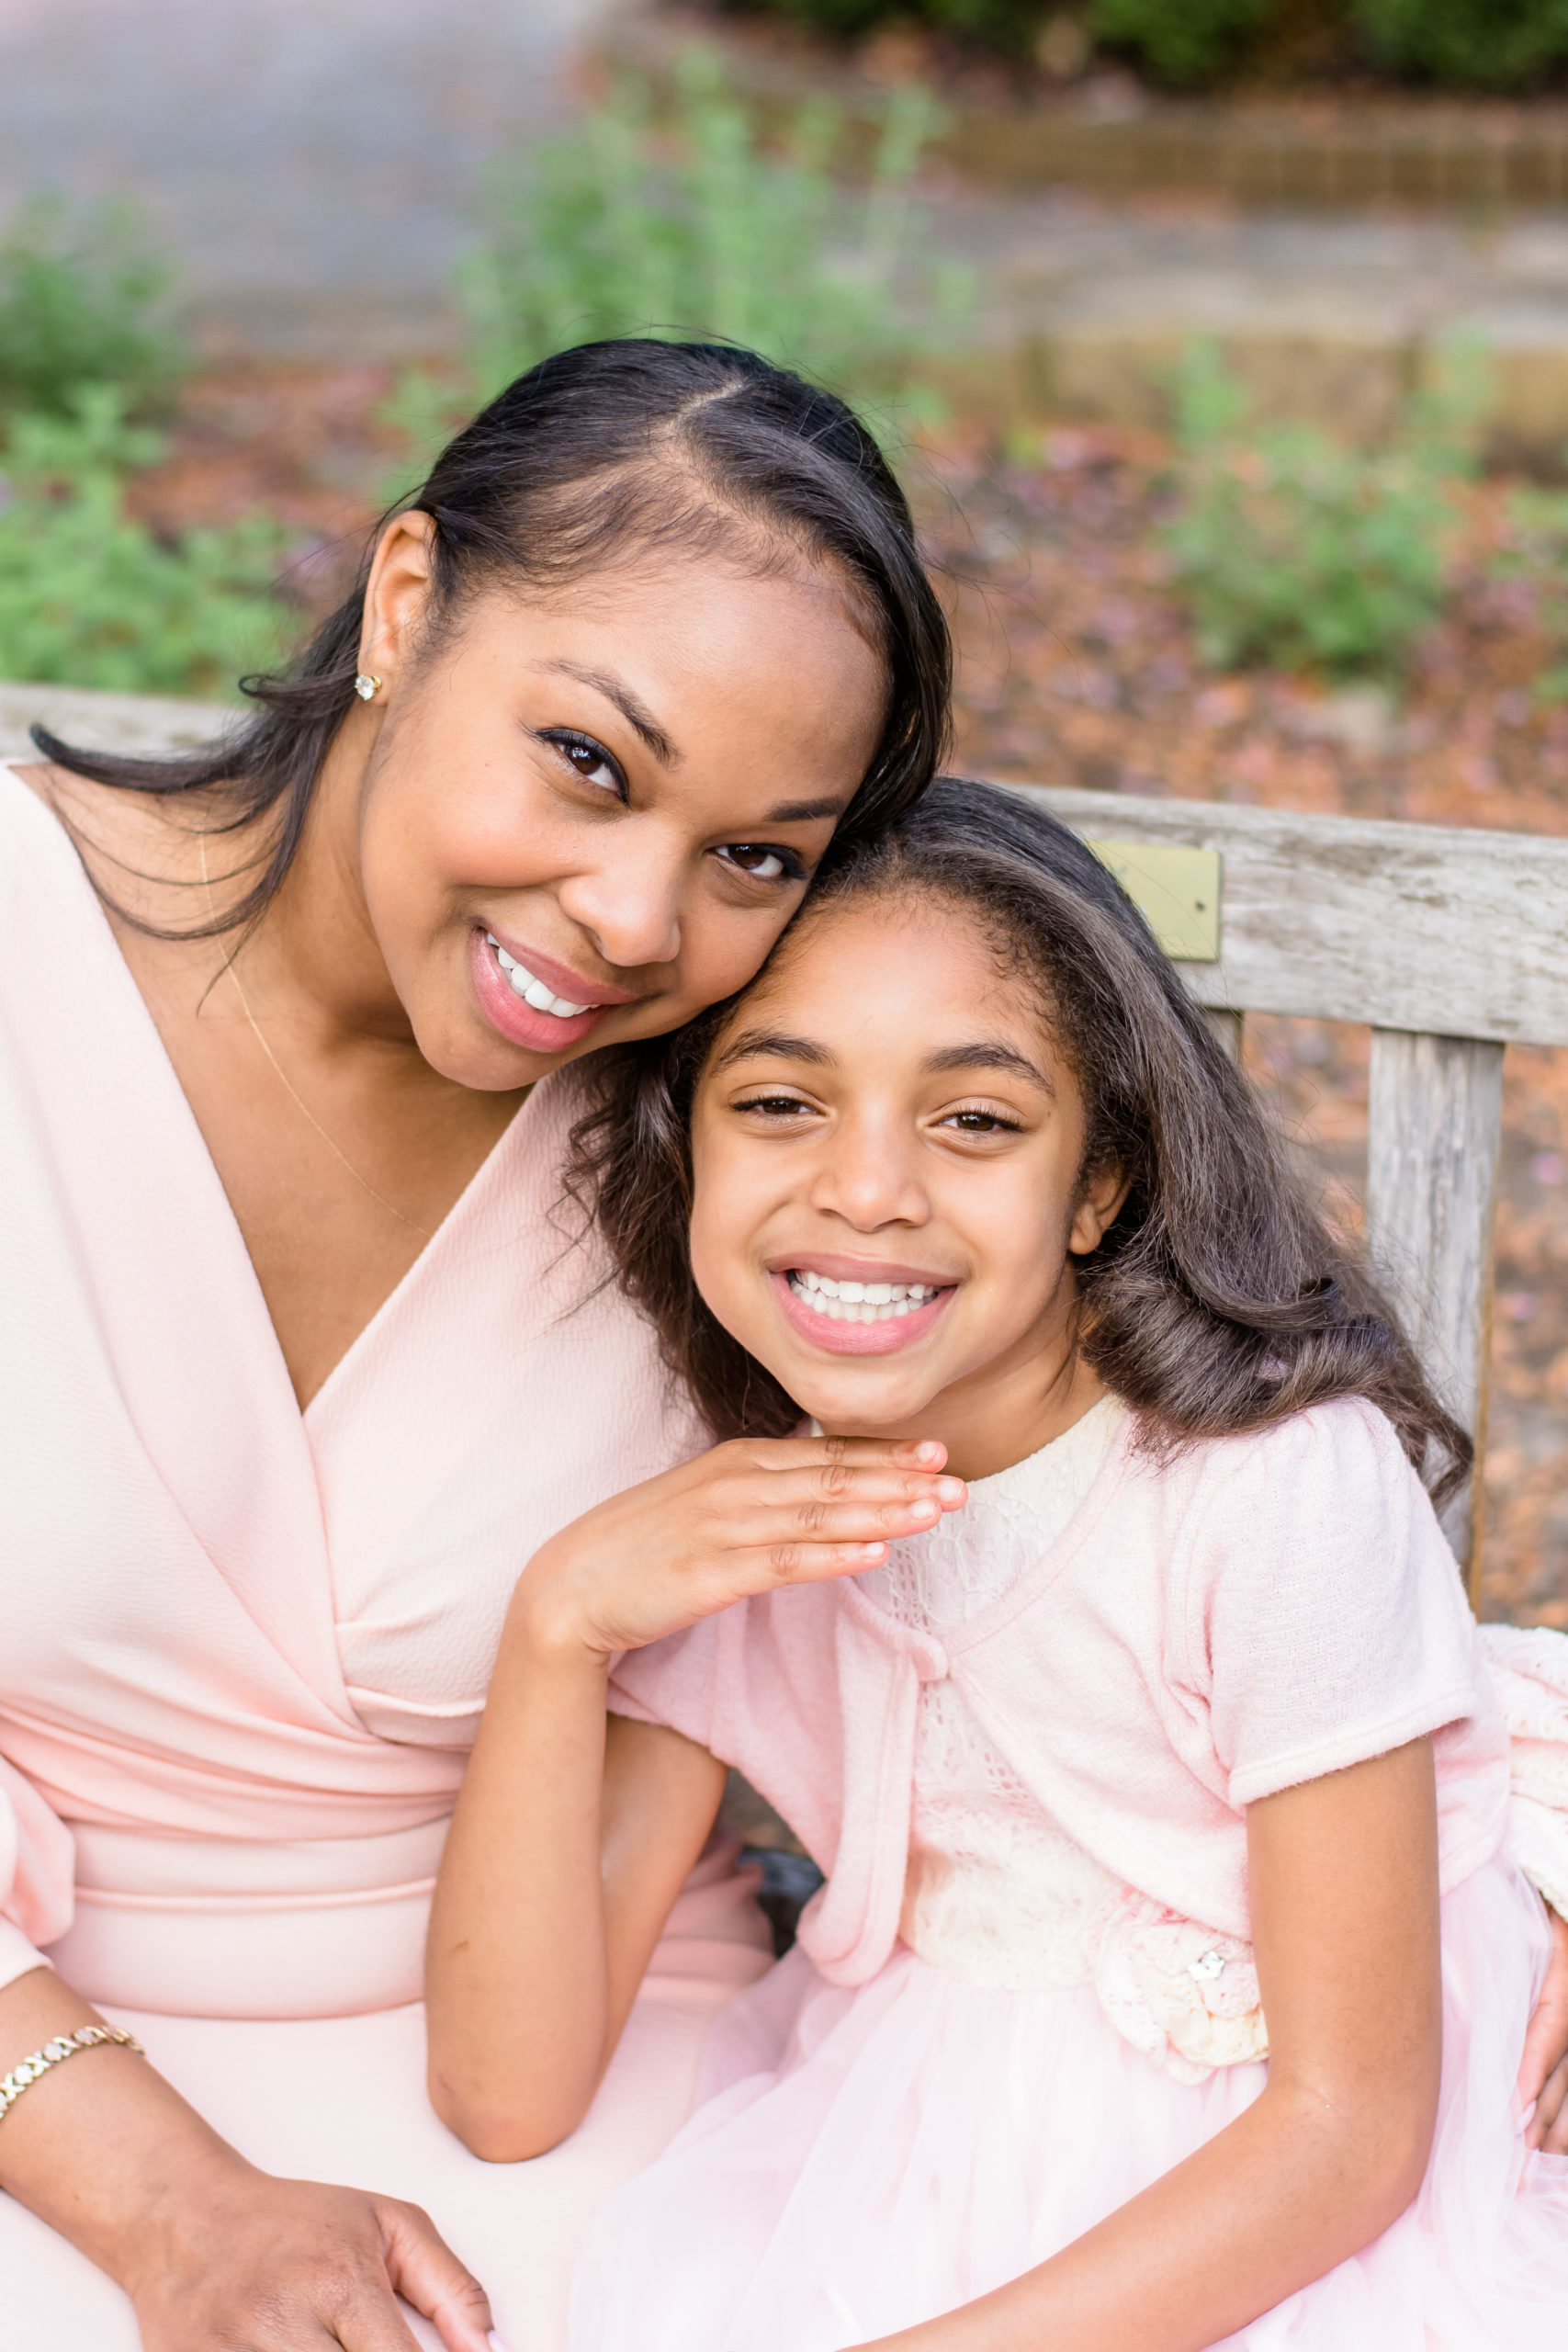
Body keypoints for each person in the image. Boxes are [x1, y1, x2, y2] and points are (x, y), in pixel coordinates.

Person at [0, 339, 966, 2352]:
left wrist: (1515, 1820)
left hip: (571, 2084)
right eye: (590, 762)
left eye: (753, 856)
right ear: (408, 600)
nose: (631, 918)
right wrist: (174, 2209)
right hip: (51, 2102)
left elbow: (1161, 1441)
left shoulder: (748, 1120)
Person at [428, 779, 1568, 2351]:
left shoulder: (1267, 1491)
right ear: (686, 1141)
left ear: (1098, 1182)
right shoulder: (744, 1518)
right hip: (926, 2135)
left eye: (974, 1120)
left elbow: (1350, 2135)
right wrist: (558, 1628)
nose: (870, 1187)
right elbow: (508, 2090)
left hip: (1307, 2180)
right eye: (778, 1104)